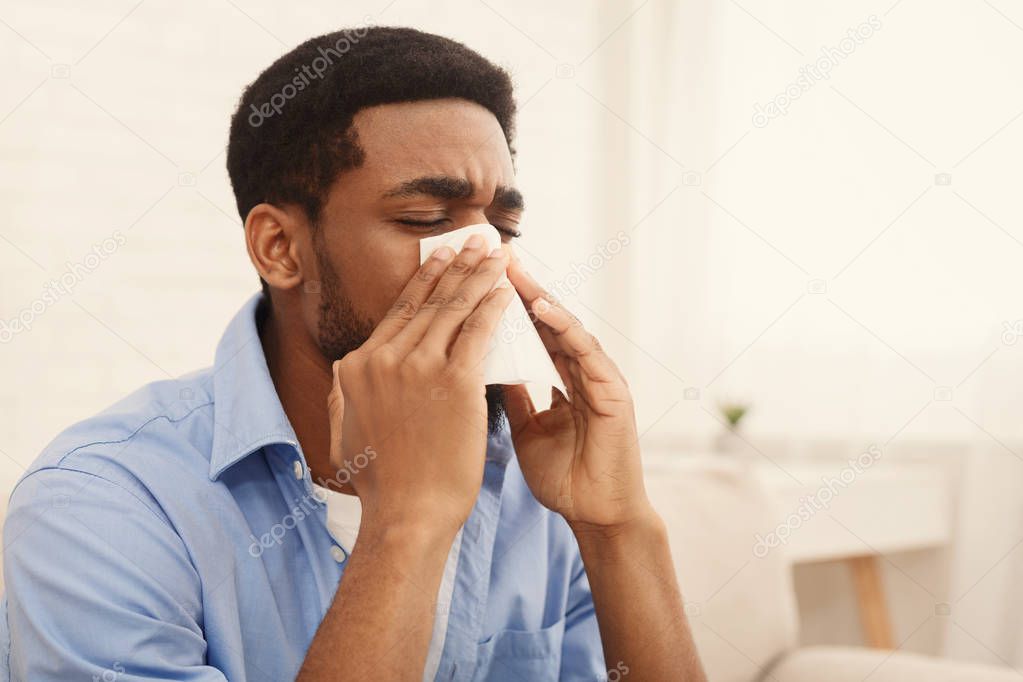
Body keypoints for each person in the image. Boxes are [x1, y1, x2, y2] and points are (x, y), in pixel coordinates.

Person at [0, 26, 705, 681]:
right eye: (425, 221)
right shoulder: (101, 507)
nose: (485, 264)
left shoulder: (533, 484)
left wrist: (617, 529)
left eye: (503, 227)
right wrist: (405, 523)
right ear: (280, 248)